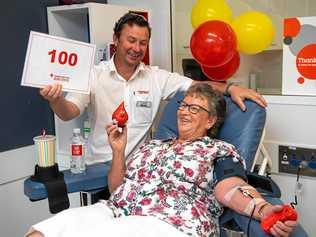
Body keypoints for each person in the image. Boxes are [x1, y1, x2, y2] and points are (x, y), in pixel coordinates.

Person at [27, 83, 297, 237]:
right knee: (40, 233)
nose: (183, 112)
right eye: (182, 105)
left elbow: (229, 186)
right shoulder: (153, 147)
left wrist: (260, 209)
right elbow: (116, 190)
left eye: (195, 108)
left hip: (170, 221)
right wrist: (118, 151)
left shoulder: (218, 150)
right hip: (115, 210)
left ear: (211, 120)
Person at [39, 12, 267, 164]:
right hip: (100, 168)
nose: (136, 48)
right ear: (116, 40)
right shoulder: (93, 75)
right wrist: (55, 100)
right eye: (131, 40)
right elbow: (68, 112)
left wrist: (230, 88)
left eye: (143, 42)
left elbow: (197, 85)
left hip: (141, 169)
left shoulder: (156, 77)